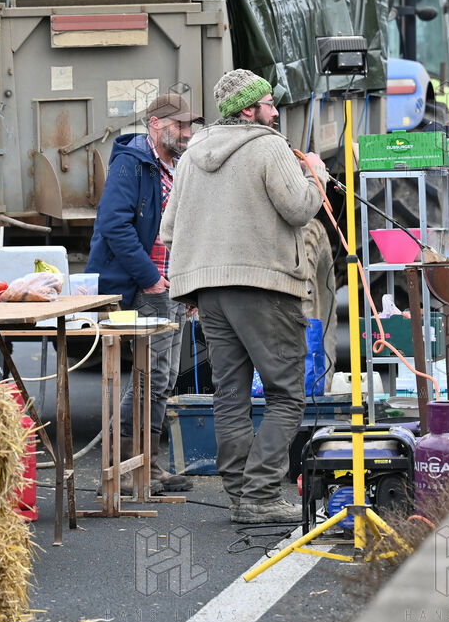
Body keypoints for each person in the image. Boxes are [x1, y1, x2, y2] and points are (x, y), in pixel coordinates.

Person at [159, 69, 328, 524]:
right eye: (269, 104)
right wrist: (315, 173)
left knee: (230, 395)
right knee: (287, 394)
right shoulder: (269, 146)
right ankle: (261, 494)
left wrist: (196, 281)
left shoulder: (193, 152)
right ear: (250, 111)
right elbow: (299, 208)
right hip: (265, 288)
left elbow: (169, 229)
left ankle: (239, 496)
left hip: (209, 293)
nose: (275, 112)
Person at [86, 92, 201, 494]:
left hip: (172, 285)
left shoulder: (177, 165)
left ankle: (146, 467)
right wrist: (150, 277)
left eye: (189, 125)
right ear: (155, 124)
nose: (187, 133)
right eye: (179, 125)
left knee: (162, 378)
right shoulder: (131, 164)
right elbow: (114, 226)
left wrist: (190, 286)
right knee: (148, 377)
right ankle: (120, 468)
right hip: (145, 285)